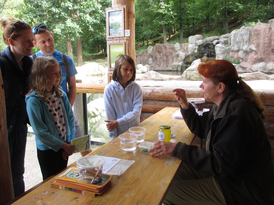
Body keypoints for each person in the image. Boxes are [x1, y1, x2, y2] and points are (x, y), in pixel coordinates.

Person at [149, 60, 274, 205]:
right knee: (169, 171)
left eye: (204, 82)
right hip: (229, 175)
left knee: (164, 191)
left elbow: (221, 163)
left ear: (220, 87)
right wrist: (185, 105)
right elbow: (202, 128)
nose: (200, 86)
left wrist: (176, 148)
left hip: (241, 188)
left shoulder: (236, 114)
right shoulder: (223, 105)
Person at [32, 23, 91, 156]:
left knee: (83, 147)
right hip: (47, 115)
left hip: (65, 110)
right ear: (35, 43)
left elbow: (73, 86)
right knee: (56, 153)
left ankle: (94, 172)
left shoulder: (65, 59)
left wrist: (66, 107)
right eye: (43, 41)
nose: (48, 43)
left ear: (52, 36)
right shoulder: (32, 61)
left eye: (49, 39)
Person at [26, 56, 76, 180]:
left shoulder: (61, 94)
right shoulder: (34, 101)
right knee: (50, 181)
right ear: (42, 75)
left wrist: (69, 141)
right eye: (54, 73)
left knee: (63, 178)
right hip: (48, 150)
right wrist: (63, 146)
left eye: (59, 72)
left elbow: (70, 118)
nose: (59, 76)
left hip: (65, 144)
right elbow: (40, 132)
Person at [0, 16, 33, 197]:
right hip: (4, 131)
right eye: (27, 41)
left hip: (19, 128)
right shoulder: (2, 64)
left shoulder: (28, 64)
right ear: (11, 41)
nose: (32, 44)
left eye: (32, 40)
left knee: (17, 174)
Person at [104, 54, 143, 141]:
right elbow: (111, 120)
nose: (129, 72)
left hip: (136, 134)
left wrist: (118, 122)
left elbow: (136, 112)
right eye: (125, 69)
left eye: (131, 70)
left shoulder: (136, 88)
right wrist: (113, 140)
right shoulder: (109, 90)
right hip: (120, 137)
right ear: (118, 69)